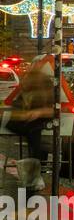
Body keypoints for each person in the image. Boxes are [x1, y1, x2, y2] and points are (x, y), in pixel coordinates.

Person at [8, 63, 55, 191]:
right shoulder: (28, 91)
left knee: (34, 133)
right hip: (27, 124)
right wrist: (24, 115)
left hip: (36, 123)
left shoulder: (44, 90)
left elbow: (53, 111)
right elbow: (17, 110)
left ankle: (34, 173)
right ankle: (34, 173)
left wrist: (38, 113)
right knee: (34, 134)